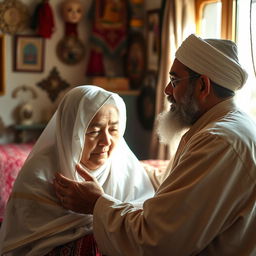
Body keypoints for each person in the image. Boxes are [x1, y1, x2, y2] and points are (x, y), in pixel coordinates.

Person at [54, 34, 256, 255]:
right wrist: (127, 168)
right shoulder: (225, 125)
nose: (168, 90)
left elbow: (157, 240)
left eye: (175, 81)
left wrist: (96, 203)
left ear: (203, 86)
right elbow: (180, 183)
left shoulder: (219, 141)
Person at [0, 85, 155, 255]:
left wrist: (99, 204)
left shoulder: (127, 169)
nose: (106, 141)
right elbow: (23, 245)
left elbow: (145, 228)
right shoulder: (40, 174)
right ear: (70, 131)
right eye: (94, 131)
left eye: (113, 130)